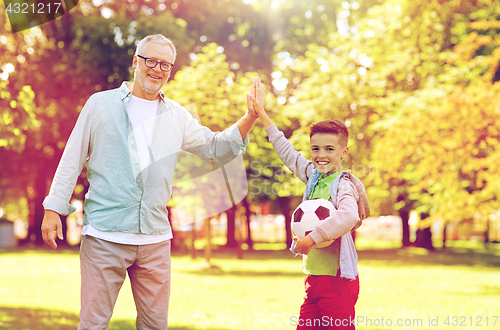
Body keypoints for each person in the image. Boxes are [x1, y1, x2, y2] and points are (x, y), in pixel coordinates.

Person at [41, 34, 258, 330]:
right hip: (105, 236)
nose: (157, 69)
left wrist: (249, 117)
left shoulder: (177, 115)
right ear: (135, 62)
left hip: (155, 240)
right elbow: (72, 158)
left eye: (165, 65)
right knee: (93, 325)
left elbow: (215, 147)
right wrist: (54, 208)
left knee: (155, 326)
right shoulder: (100, 105)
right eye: (151, 61)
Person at [247, 77, 370, 329]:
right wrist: (262, 114)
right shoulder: (313, 177)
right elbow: (288, 153)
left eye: (329, 149)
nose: (321, 155)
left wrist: (312, 237)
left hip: (337, 282)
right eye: (315, 149)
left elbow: (349, 217)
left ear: (343, 152)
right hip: (314, 279)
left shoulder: (342, 184)